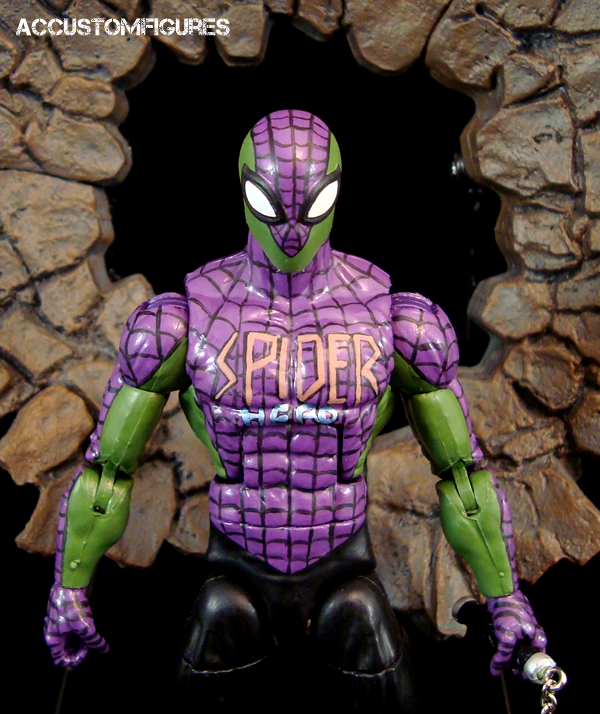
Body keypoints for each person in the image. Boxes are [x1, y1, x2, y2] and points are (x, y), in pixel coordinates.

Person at [44, 109, 546, 713]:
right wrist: (70, 586)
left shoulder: (397, 323)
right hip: (235, 563)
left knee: (367, 629)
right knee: (216, 622)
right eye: (271, 204)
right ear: (245, 190)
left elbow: (463, 474)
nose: (289, 230)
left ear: (333, 193)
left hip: (343, 563)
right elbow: (107, 471)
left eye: (310, 206)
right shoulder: (179, 323)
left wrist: (504, 596)